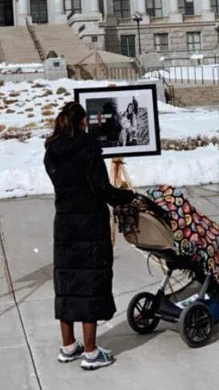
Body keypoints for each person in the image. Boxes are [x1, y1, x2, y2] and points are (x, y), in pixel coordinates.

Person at [44, 102, 136, 371]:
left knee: (67, 283)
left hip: (64, 224)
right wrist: (126, 195)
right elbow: (100, 188)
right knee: (90, 285)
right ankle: (92, 352)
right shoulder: (87, 146)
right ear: (83, 121)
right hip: (90, 224)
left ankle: (69, 346)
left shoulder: (52, 149)